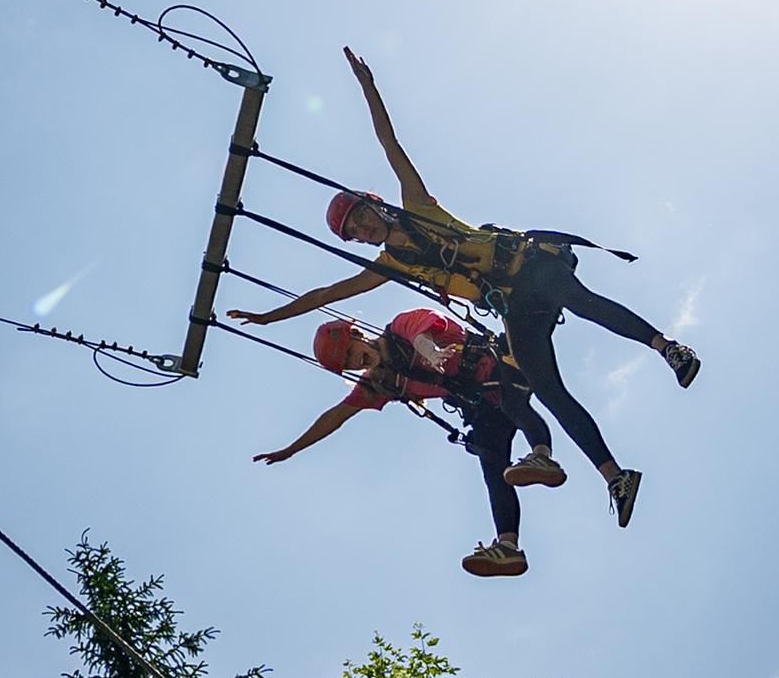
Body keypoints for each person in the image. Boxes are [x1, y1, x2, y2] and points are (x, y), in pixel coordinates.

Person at [230, 47, 690, 526]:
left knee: (579, 300)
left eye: (363, 219)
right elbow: (327, 295)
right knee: (548, 390)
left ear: (378, 207)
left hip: (531, 268)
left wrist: (369, 89)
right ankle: (615, 476)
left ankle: (667, 348)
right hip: (512, 306)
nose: (364, 232)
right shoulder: (390, 266)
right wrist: (269, 318)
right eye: (356, 233)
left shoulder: (417, 206)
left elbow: (390, 145)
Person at [256, 308, 569, 578]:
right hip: (480, 407)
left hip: (499, 367)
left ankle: (542, 455)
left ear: (356, 334)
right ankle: (508, 546)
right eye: (350, 363)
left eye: (351, 351)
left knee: (514, 405)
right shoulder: (380, 384)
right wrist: (291, 450)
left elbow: (425, 330)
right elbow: (335, 416)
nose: (357, 360)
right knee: (493, 468)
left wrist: (430, 351)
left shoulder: (401, 328)